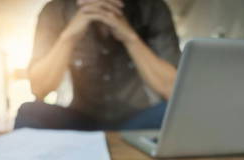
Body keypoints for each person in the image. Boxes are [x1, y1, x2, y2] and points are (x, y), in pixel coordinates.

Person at [15, 0, 181, 130]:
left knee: (179, 113)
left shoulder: (152, 8)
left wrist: (130, 37)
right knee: (30, 112)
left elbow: (173, 90)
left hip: (135, 118)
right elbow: (39, 88)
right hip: (81, 119)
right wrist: (69, 36)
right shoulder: (56, 10)